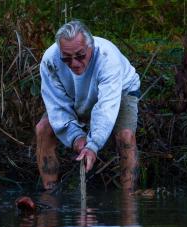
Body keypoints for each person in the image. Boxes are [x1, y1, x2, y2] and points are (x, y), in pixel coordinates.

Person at [36, 20, 141, 191]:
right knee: (43, 129)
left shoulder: (107, 58)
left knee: (126, 136)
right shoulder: (50, 60)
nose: (75, 64)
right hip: (75, 95)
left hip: (121, 90)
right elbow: (57, 107)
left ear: (90, 46)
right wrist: (77, 138)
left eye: (80, 56)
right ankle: (50, 195)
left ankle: (128, 199)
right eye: (67, 58)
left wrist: (93, 145)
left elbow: (106, 107)